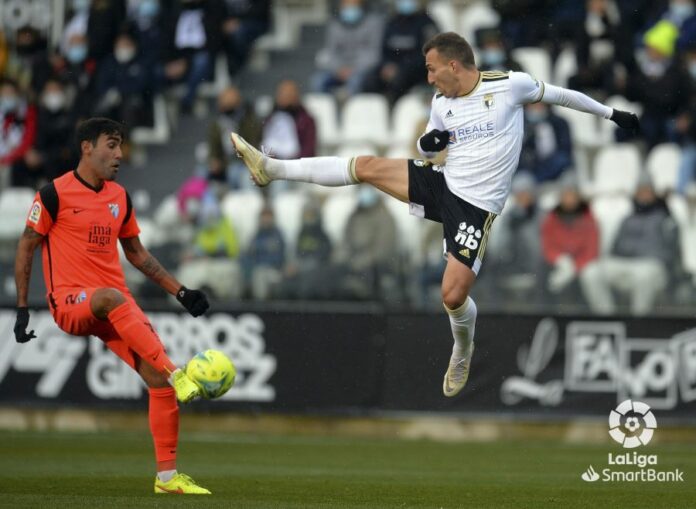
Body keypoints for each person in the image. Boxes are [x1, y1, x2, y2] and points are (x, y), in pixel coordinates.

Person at [230, 31, 639, 398]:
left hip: (476, 208)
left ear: (453, 64)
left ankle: (462, 347)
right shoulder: (443, 102)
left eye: (431, 69)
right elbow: (428, 148)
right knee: (368, 166)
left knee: (452, 295)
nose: (429, 78)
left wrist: (611, 114)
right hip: (442, 182)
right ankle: (275, 168)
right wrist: (429, 141)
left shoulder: (510, 86)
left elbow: (563, 95)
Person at [13, 118, 213, 494]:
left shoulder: (119, 197)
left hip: (113, 307)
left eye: (121, 146)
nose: (119, 154)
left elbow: (136, 254)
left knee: (156, 382)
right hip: (72, 303)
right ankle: (178, 372)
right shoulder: (53, 194)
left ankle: (167, 478)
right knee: (113, 300)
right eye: (112, 144)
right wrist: (23, 307)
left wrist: (181, 291)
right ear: (87, 147)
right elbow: (26, 245)